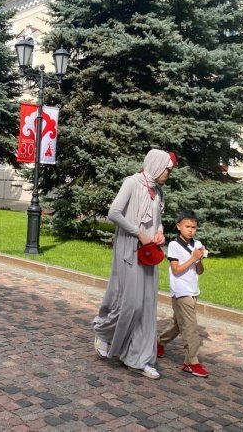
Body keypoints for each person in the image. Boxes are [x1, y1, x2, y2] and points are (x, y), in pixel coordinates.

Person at [93, 149, 176, 380]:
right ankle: (104, 332)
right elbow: (114, 213)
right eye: (167, 169)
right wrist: (139, 233)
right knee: (130, 303)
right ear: (157, 165)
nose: (168, 174)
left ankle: (138, 358)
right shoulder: (131, 183)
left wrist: (159, 233)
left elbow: (158, 222)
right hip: (129, 248)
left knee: (147, 306)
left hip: (149, 252)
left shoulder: (158, 191)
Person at [157, 210, 208, 377]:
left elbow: (199, 271)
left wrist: (199, 259)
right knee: (191, 328)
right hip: (180, 291)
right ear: (179, 226)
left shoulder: (197, 244)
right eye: (187, 226)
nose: (190, 230)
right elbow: (176, 270)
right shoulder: (174, 245)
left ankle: (160, 343)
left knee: (179, 324)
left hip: (193, 290)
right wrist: (193, 258)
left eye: (194, 227)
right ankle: (191, 362)